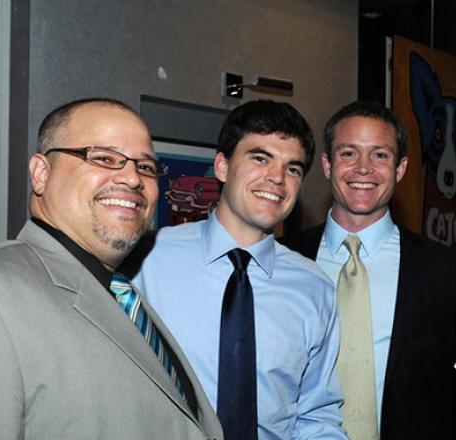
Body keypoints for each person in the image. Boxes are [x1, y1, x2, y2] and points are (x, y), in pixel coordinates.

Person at [0, 98, 222, 439]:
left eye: (145, 167)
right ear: (42, 174)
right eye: (103, 158)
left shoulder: (124, 296)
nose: (132, 178)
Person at [131, 100, 346, 439]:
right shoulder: (147, 260)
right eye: (260, 158)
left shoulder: (314, 288)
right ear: (222, 166)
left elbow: (315, 416)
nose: (277, 178)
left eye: (293, 169)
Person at [281, 101, 456, 439]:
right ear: (327, 165)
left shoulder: (444, 269)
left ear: (401, 169)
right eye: (348, 153)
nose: (363, 168)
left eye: (380, 155)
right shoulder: (282, 261)